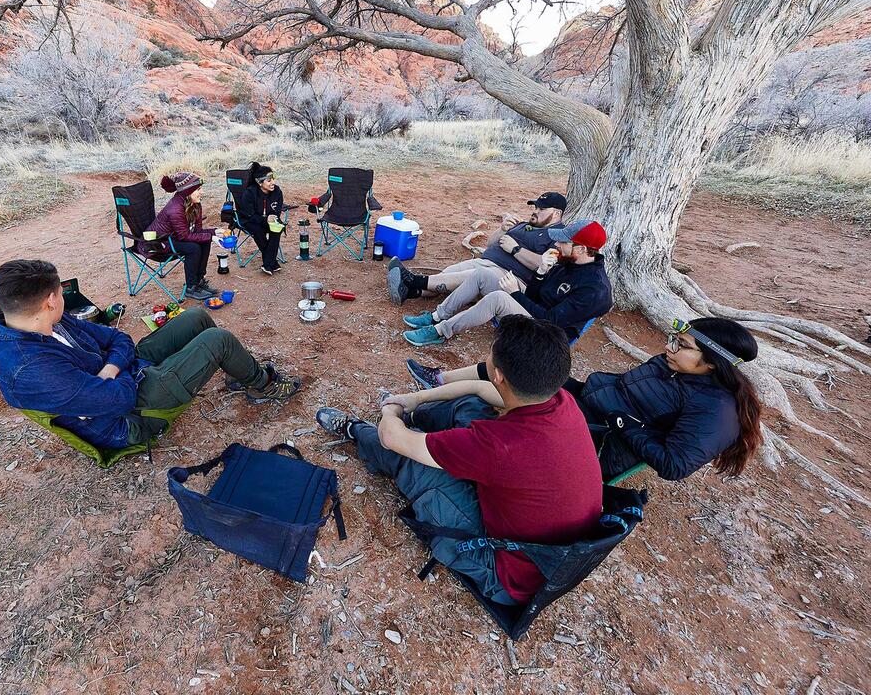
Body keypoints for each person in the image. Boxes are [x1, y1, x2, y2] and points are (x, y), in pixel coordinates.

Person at [314, 316, 602, 606]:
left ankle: (355, 431)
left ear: (499, 375)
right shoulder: (560, 400)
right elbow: (478, 389)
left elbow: (392, 438)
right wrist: (414, 400)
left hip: (507, 571)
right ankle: (416, 422)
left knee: (412, 460)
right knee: (471, 405)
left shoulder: (497, 446)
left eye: (491, 354)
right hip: (549, 551)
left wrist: (391, 411)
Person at [405, 317, 764, 482]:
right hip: (589, 401)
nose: (668, 348)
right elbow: (629, 388)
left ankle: (414, 407)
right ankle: (430, 386)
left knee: (496, 387)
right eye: (672, 339)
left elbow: (675, 466)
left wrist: (622, 423)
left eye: (681, 346)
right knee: (508, 364)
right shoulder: (676, 364)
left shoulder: (716, 410)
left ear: (714, 362)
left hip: (598, 437)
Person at [0, 259, 302, 449]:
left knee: (197, 317)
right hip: (128, 419)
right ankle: (263, 385)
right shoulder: (30, 369)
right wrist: (117, 367)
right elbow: (120, 400)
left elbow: (119, 338)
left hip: (122, 378)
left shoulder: (51, 322)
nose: (61, 300)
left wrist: (111, 369)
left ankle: (240, 373)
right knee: (217, 340)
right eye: (59, 295)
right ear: (49, 300)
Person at [402, 219, 612, 347]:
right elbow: (534, 297)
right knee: (482, 275)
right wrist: (541, 272)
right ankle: (438, 316)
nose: (556, 244)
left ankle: (441, 332)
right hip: (535, 311)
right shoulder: (567, 263)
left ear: (582, 249)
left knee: (498, 298)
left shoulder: (595, 289)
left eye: (563, 242)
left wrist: (515, 294)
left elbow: (552, 320)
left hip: (546, 335)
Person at [387, 191, 565, 305]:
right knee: (449, 274)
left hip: (509, 278)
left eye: (541, 209)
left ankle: (414, 280)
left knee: (470, 276)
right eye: (535, 206)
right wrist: (501, 229)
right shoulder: (525, 224)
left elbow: (545, 266)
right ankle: (411, 292)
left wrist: (516, 249)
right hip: (487, 261)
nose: (535, 211)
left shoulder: (558, 236)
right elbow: (491, 244)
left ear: (556, 213)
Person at [147, 171, 224, 300]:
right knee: (193, 248)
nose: (202, 192)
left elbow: (197, 230)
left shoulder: (195, 204)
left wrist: (215, 232)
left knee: (204, 241)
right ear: (187, 191)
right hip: (161, 242)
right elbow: (184, 236)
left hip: (176, 237)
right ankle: (190, 287)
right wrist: (212, 237)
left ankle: (199, 281)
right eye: (198, 189)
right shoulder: (175, 209)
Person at [236, 161, 285, 276]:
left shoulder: (277, 191)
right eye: (269, 180)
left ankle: (268, 263)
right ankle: (271, 263)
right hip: (249, 220)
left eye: (273, 179)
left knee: (277, 229)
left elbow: (276, 211)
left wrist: (272, 218)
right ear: (259, 182)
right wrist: (265, 220)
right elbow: (249, 215)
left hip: (268, 220)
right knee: (258, 230)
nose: (273, 182)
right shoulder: (250, 193)